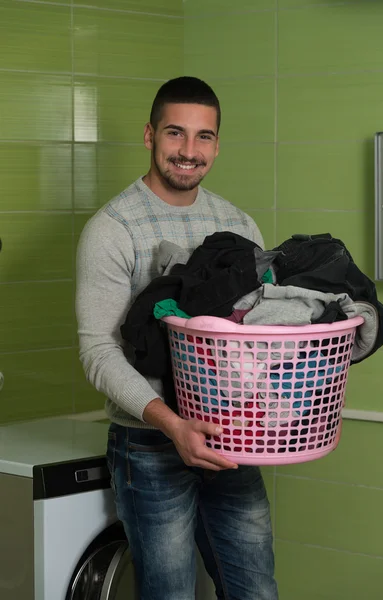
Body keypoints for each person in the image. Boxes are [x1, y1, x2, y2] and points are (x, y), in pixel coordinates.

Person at [76, 76, 279, 600]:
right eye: (175, 134)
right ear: (149, 135)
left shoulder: (238, 224)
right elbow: (99, 352)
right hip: (149, 445)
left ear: (216, 142)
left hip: (232, 441)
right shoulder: (113, 228)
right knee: (169, 593)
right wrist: (172, 425)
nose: (189, 152)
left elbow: (256, 337)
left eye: (203, 137)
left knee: (255, 591)